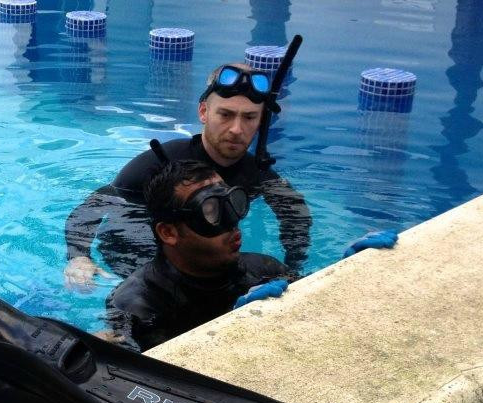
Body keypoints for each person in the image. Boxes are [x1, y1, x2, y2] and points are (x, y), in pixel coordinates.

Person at [64, 62, 311, 291]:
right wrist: (79, 257)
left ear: (261, 120)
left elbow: (296, 216)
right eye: (225, 115)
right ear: (204, 112)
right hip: (132, 247)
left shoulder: (257, 173)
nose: (237, 129)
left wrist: (295, 265)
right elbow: (93, 207)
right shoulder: (160, 163)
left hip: (200, 257)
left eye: (249, 117)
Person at [105, 160, 293, 352]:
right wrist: (237, 327)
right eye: (210, 211)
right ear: (169, 232)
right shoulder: (137, 306)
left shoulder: (266, 270)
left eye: (233, 202)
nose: (232, 224)